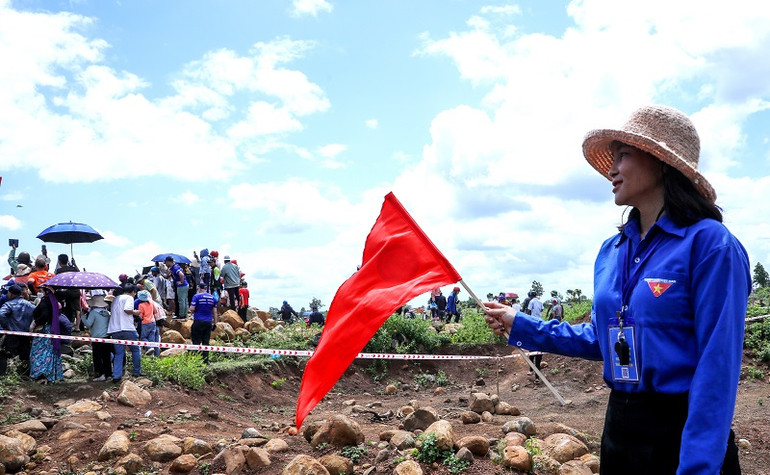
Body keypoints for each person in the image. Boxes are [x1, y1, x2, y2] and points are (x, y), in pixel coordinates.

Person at [483, 105, 749, 474]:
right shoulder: (611, 251)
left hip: (682, 430)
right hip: (621, 430)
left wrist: (699, 465)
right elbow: (600, 339)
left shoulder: (710, 245)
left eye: (623, 156)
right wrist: (520, 323)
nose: (611, 170)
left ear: (660, 162)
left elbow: (717, 365)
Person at [30, 286, 71, 383]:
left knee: (38, 353)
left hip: (43, 330)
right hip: (50, 329)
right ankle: (51, 375)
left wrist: (34, 323)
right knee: (49, 352)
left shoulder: (45, 301)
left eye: (41, 290)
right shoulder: (54, 301)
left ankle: (41, 375)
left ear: (45, 291)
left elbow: (44, 315)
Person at [107, 284, 143, 383]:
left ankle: (116, 375)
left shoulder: (115, 299)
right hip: (128, 328)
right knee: (135, 350)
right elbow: (127, 310)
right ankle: (136, 372)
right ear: (133, 292)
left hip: (115, 329)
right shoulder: (129, 298)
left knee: (119, 353)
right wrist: (136, 312)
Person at [0, 284, 35, 377]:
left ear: (11, 294)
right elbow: (36, 315)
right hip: (26, 335)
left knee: (4, 354)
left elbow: (1, 314)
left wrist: (6, 325)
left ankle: (2, 375)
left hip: (12, 334)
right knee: (25, 356)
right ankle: (26, 375)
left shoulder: (9, 304)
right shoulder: (29, 305)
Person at [82, 290, 112, 381]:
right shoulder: (107, 313)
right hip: (106, 338)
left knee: (97, 357)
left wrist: (83, 316)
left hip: (97, 338)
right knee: (106, 357)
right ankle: (108, 374)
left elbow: (88, 324)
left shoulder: (93, 313)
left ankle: (100, 374)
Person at [189, 283, 217, 364]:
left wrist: (193, 310)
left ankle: (196, 360)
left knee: (196, 341)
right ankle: (206, 360)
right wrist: (215, 323)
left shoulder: (196, 296)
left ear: (199, 289)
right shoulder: (212, 298)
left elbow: (192, 308)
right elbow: (215, 312)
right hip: (208, 322)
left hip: (198, 321)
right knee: (206, 341)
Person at [137, 290, 160, 357]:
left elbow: (140, 316)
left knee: (143, 337)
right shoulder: (151, 303)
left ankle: (149, 347)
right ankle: (152, 353)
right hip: (153, 322)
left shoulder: (141, 305)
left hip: (145, 323)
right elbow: (155, 311)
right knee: (151, 337)